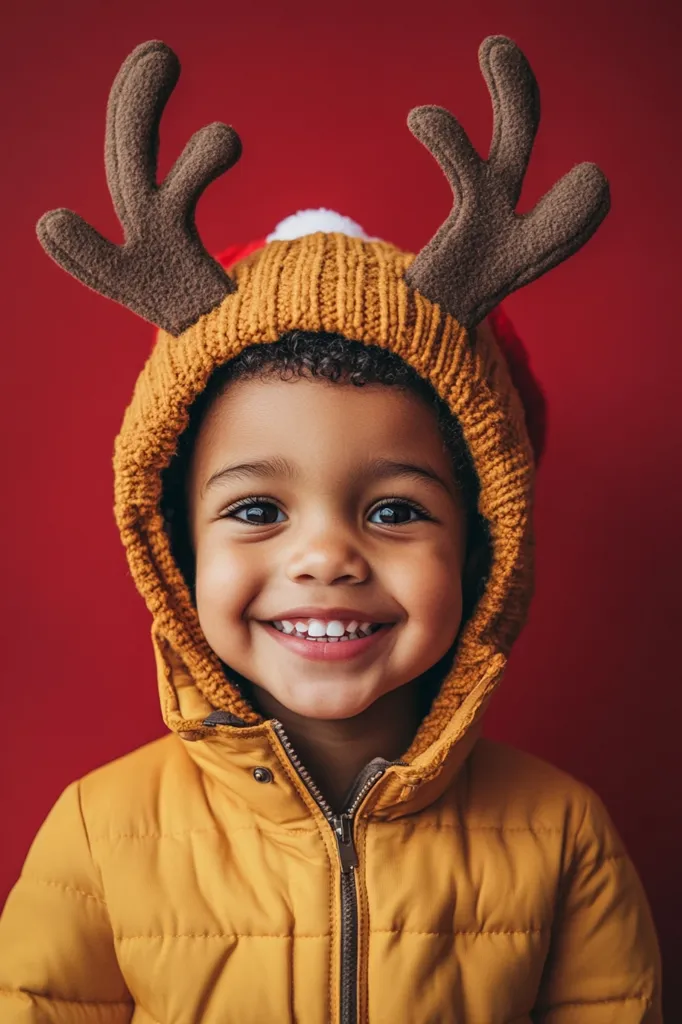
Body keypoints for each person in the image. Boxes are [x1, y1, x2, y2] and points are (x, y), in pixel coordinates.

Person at [0, 35, 662, 1024]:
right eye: (257, 510)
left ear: (483, 548)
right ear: (173, 545)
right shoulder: (99, 834)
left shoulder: (563, 837)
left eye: (393, 509)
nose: (323, 556)